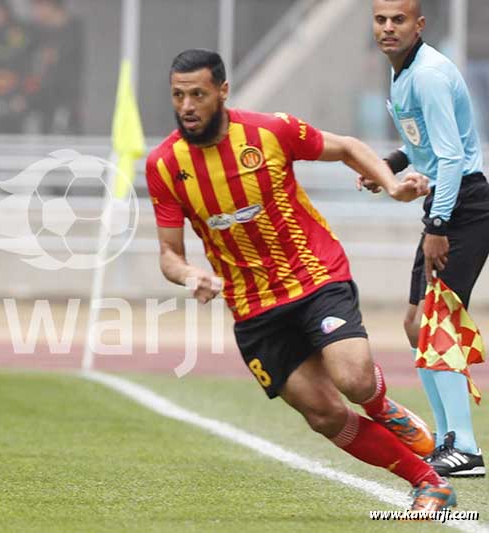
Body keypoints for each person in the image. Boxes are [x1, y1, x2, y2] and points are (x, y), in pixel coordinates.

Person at [147, 49, 455, 512]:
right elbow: (170, 255)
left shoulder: (270, 131)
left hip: (314, 277)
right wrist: (192, 276)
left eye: (197, 94)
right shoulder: (165, 165)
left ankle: (380, 404)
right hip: (253, 308)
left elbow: (348, 147)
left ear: (222, 92)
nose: (187, 106)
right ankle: (427, 482)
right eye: (178, 95)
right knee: (324, 414)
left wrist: (391, 187)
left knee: (352, 380)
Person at [367, 0, 489, 477]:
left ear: (419, 25)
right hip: (445, 204)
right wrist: (389, 168)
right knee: (417, 323)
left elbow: (453, 157)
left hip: (465, 208)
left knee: (438, 322)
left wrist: (438, 227)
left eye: (399, 20)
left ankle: (467, 448)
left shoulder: (430, 74)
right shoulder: (401, 72)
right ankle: (447, 440)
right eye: (381, 19)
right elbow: (423, 143)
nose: (389, 28)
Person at [27, 0, 85, 134]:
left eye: (38, 6)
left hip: (67, 98)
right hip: (45, 99)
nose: (35, 12)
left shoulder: (73, 29)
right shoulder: (36, 31)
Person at [0, 0, 35, 133]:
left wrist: (22, 94)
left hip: (16, 92)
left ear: (6, 13)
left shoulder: (17, 33)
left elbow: (22, 61)